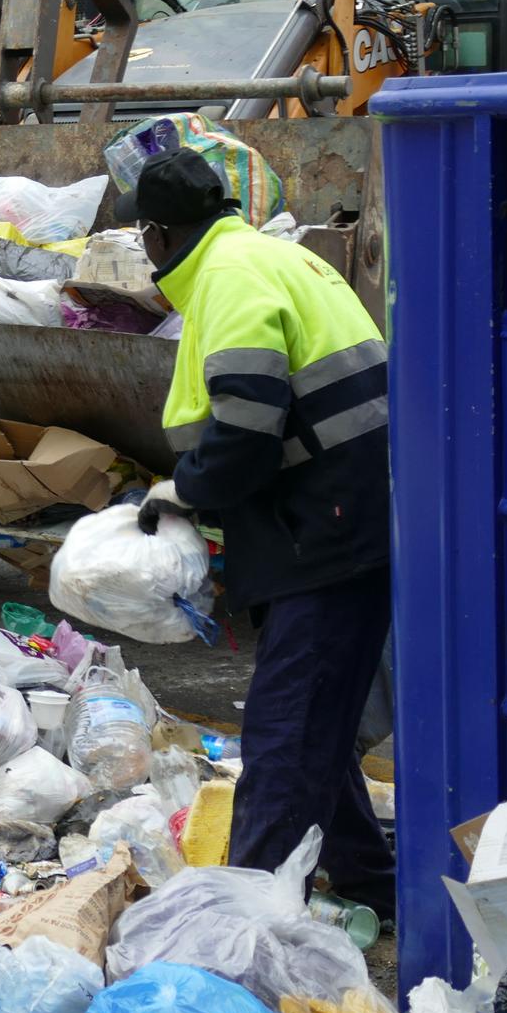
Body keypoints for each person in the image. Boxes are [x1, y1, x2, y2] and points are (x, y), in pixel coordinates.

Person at [120, 147, 395, 918]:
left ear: (157, 235)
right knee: (319, 719)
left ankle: (243, 925)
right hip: (344, 516)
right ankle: (372, 880)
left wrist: (184, 489)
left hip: (325, 532)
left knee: (286, 735)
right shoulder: (276, 256)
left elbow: (245, 429)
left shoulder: (228, 277)